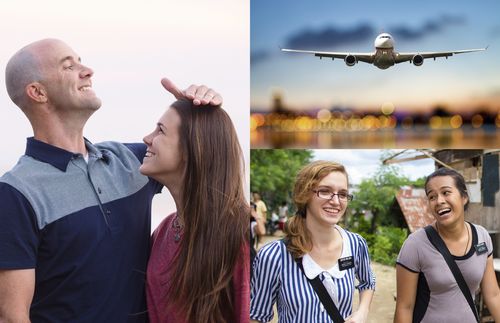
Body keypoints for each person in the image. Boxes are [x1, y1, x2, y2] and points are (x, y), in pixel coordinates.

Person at [0, 38, 221, 322]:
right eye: (69, 66)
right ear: (38, 92)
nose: (87, 70)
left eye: (81, 61)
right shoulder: (16, 193)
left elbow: (203, 155)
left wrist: (200, 108)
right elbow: (12, 317)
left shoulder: (133, 160)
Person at [140, 99, 249, 323]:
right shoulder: (163, 232)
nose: (147, 139)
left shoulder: (238, 233)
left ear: (191, 149)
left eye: (160, 130)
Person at [251, 160, 376, 323]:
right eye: (325, 191)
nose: (336, 201)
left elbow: (368, 281)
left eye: (343, 194)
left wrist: (362, 311)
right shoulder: (273, 256)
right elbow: (256, 316)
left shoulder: (355, 244)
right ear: (304, 195)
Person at [394, 168, 500, 323]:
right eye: (432, 196)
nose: (439, 201)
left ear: (464, 197)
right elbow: (404, 307)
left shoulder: (482, 237)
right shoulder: (415, 245)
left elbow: (493, 294)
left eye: (446, 192)